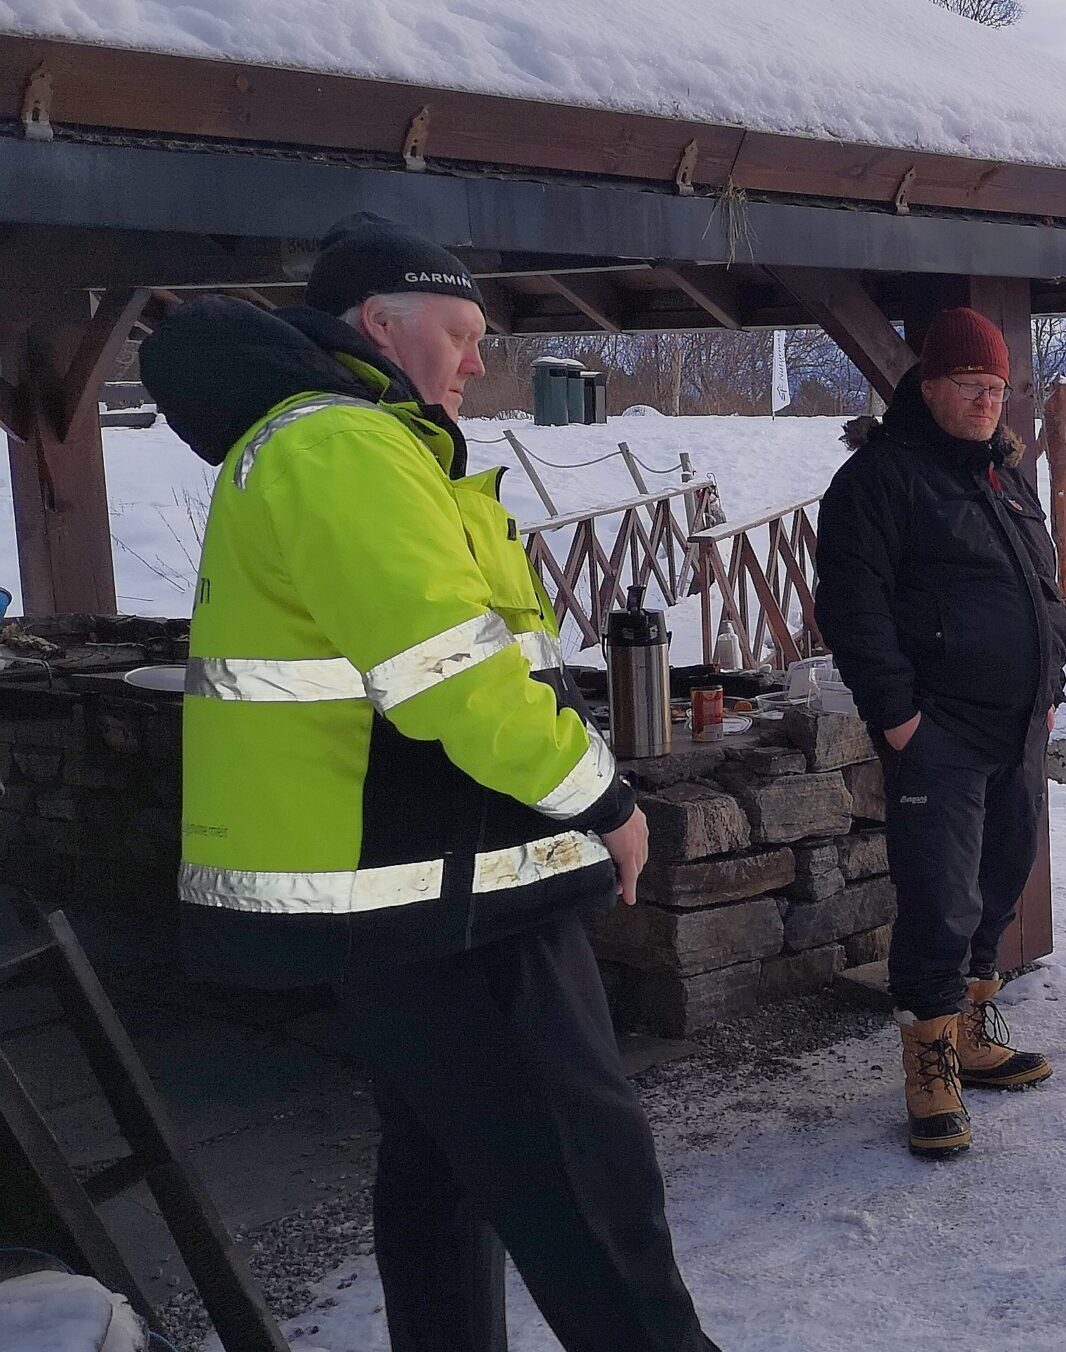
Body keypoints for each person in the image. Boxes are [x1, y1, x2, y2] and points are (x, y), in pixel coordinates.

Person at [138, 214, 718, 1351]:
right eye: (459, 332)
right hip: (447, 900)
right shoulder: (344, 446)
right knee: (592, 1196)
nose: (476, 360)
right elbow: (454, 680)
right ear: (379, 324)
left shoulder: (349, 443)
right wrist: (606, 798)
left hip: (409, 899)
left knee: (446, 1177)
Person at [815, 308, 1066, 1159]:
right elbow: (852, 607)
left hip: (1016, 725)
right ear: (929, 387)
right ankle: (928, 1066)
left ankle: (969, 1030)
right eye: (972, 386)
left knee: (1000, 878)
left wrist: (1051, 681)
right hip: (939, 732)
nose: (987, 401)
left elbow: (1039, 589)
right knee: (940, 897)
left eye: (997, 388)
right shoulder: (881, 480)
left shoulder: (1003, 476)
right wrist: (898, 718)